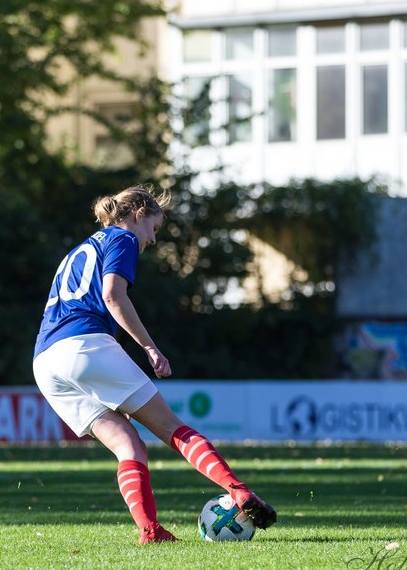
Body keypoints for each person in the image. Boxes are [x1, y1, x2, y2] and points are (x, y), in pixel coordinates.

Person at [32, 185, 277, 544]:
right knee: (172, 428)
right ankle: (238, 490)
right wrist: (150, 348)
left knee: (128, 445)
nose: (152, 239)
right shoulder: (122, 237)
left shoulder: (81, 248)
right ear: (138, 214)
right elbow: (113, 296)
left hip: (46, 362)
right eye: (155, 229)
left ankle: (151, 531)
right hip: (84, 346)